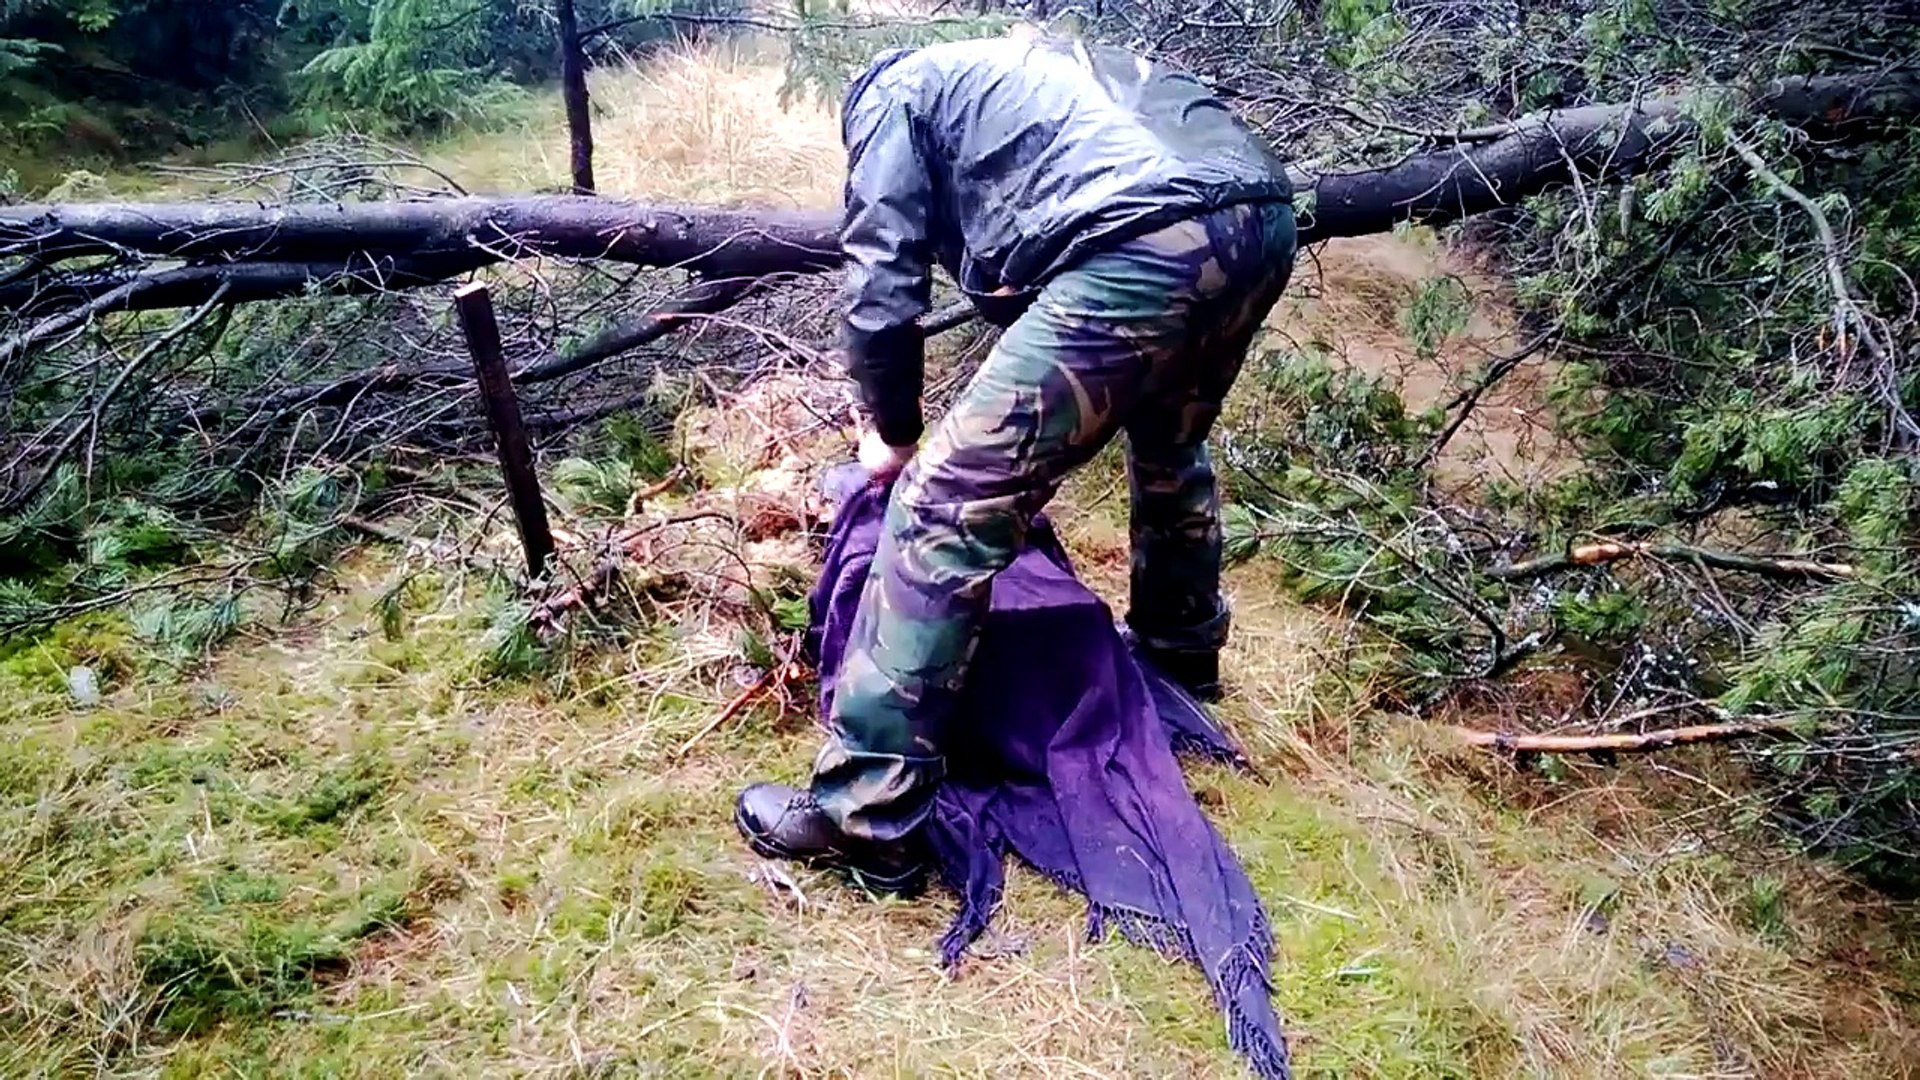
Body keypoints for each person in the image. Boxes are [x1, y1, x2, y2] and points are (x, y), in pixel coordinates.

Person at [735, 27, 1299, 895]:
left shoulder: (892, 98)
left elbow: (883, 277)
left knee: (943, 505)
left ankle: (868, 815)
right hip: (1257, 218)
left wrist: (891, 429)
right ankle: (1179, 664)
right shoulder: (1018, 70)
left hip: (1143, 239)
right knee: (1169, 442)